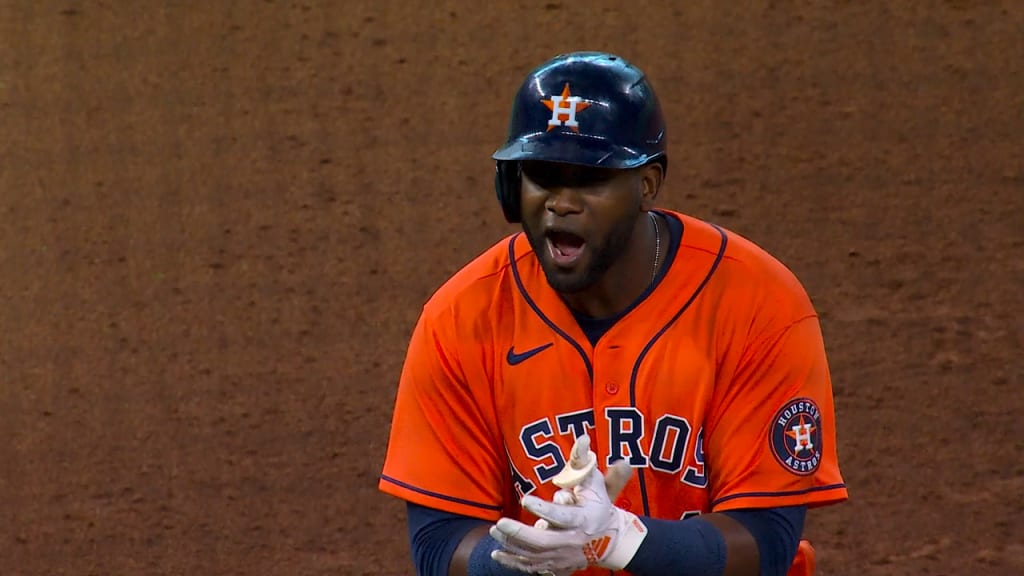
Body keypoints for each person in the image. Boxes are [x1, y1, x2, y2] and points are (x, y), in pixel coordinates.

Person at [378, 51, 847, 576]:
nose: (561, 202)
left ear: (646, 184)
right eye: (542, 177)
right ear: (512, 189)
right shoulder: (460, 320)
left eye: (589, 180)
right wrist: (529, 560)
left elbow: (768, 540)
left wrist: (617, 541)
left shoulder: (757, 304)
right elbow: (439, 548)